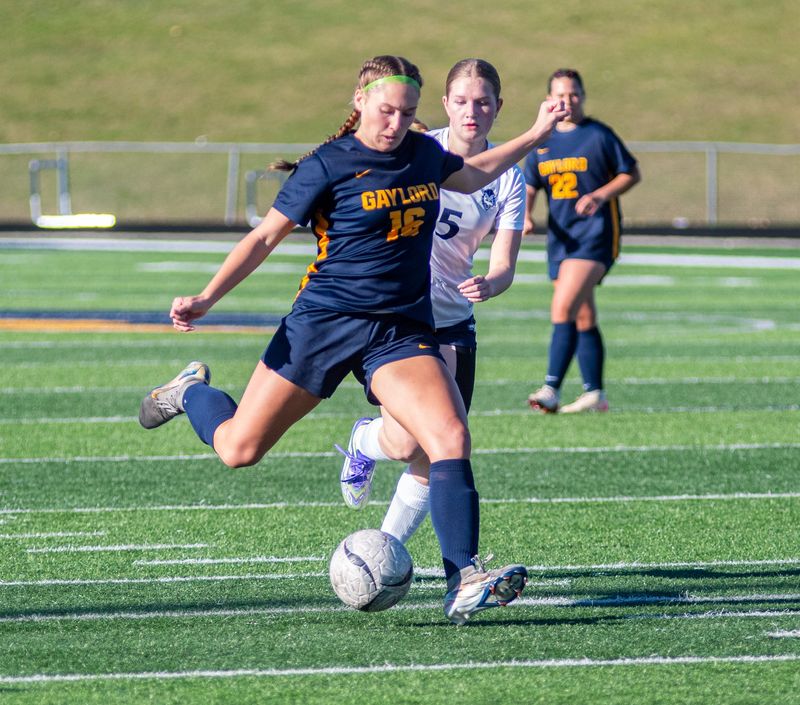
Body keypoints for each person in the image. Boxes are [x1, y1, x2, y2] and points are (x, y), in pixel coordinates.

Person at [138, 55, 569, 625]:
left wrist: (537, 134)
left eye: (408, 113)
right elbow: (265, 236)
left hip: (397, 329)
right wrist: (206, 297)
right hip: (323, 324)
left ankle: (463, 576)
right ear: (360, 102)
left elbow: (476, 173)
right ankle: (191, 392)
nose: (396, 123)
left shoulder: (421, 154)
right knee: (239, 449)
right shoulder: (328, 165)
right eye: (387, 110)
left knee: (448, 433)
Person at [335, 59, 526, 553]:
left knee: (437, 449)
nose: (472, 111)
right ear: (444, 104)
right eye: (461, 101)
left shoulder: (509, 178)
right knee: (402, 443)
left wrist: (491, 283)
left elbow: (505, 264)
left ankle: (381, 553)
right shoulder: (423, 150)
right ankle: (364, 442)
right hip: (401, 321)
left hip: (455, 325)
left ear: (497, 108)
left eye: (482, 102)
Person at [524, 68, 640, 414]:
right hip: (561, 239)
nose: (567, 101)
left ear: (583, 96)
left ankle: (551, 387)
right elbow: (530, 182)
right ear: (549, 100)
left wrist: (601, 196)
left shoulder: (598, 135)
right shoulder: (542, 141)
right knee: (584, 315)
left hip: (595, 236)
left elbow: (631, 172)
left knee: (563, 308)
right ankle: (595, 393)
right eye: (560, 95)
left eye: (573, 94)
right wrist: (526, 215)